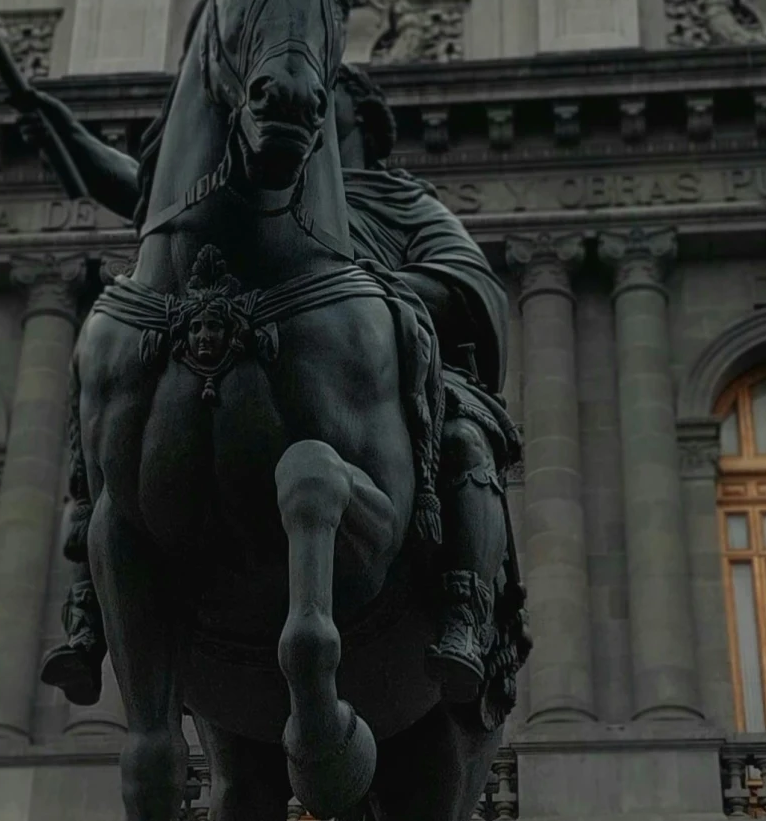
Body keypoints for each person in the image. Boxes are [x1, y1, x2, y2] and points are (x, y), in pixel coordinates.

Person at [26, 60, 527, 721]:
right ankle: (91, 598)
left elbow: (471, 287)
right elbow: (144, 194)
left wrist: (368, 300)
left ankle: (464, 608)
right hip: (251, 375)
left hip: (388, 379)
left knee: (468, 441)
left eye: (326, 97)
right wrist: (59, 128)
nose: (301, 105)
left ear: (362, 125)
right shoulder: (246, 207)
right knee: (121, 404)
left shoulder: (404, 204)